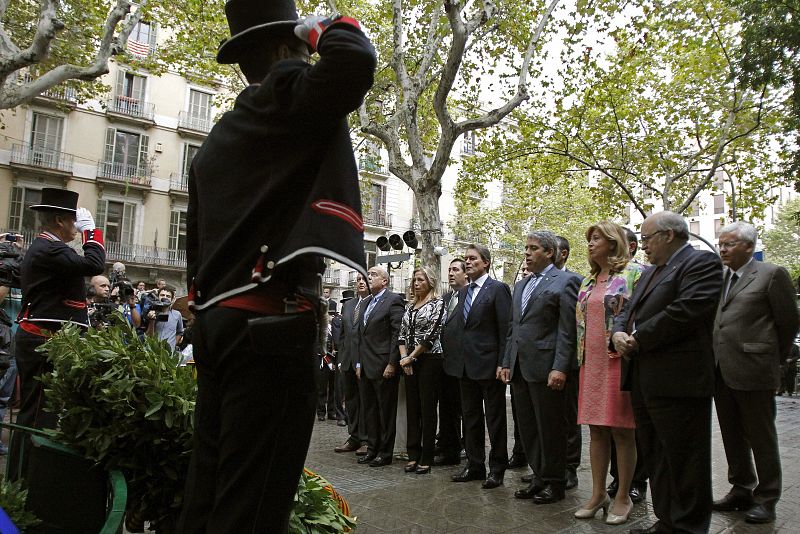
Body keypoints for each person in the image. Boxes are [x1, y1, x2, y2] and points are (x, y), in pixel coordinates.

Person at [177, 0, 375, 530]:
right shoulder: (287, 91)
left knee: (209, 487)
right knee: (255, 501)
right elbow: (354, 59)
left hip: (217, 324)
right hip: (268, 325)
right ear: (287, 48)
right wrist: (322, 27)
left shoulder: (220, 137)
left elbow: (195, 242)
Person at [612, 211, 722, 534]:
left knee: (685, 457)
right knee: (656, 454)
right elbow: (627, 309)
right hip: (644, 378)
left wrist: (638, 337)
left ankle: (688, 526)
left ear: (669, 235)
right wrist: (618, 332)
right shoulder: (650, 272)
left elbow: (687, 310)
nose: (643, 245)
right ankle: (667, 521)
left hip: (679, 380)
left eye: (647, 239)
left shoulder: (701, 263)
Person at [11, 188, 104, 478]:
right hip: (42, 340)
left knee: (40, 413)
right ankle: (22, 479)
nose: (76, 227)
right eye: (74, 221)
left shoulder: (47, 247)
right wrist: (92, 233)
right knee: (37, 415)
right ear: (60, 221)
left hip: (42, 337)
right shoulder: (50, 249)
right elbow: (94, 264)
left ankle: (23, 477)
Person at [711, 221, 799, 524]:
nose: (723, 249)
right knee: (731, 433)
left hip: (755, 369)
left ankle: (767, 497)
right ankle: (741, 488)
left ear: (749, 246)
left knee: (761, 436)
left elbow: (788, 322)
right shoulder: (723, 277)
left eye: (730, 244)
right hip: (722, 368)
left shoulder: (771, 274)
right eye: (721, 244)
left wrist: (773, 358)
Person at [500, 231, 580, 504]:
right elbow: (513, 328)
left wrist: (560, 367)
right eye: (526, 247)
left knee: (551, 429)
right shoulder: (521, 285)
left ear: (549, 252)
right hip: (520, 368)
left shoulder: (567, 281)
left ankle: (556, 483)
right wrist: (507, 361)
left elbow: (567, 330)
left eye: (533, 248)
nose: (527, 252)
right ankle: (539, 477)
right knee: (528, 428)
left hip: (547, 369)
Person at [573, 221, 644, 525]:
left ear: (613, 243)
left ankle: (624, 496)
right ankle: (598, 494)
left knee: (622, 430)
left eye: (597, 238)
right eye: (589, 239)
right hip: (591, 363)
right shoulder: (589, 280)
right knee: (596, 430)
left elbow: (643, 315)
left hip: (618, 362)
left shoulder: (634, 273)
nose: (590, 243)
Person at [447, 244, 512, 489]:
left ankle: (497, 468)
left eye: (473, 258)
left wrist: (503, 362)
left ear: (486, 262)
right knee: (471, 417)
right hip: (465, 367)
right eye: (466, 258)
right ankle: (475, 465)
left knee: (495, 419)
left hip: (489, 365)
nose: (468, 262)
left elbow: (505, 329)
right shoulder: (463, 292)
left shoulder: (498, 289)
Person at [607, 227, 649, 504]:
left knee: (631, 423)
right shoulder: (602, 276)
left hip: (630, 354)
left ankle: (637, 481)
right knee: (612, 421)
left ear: (630, 246)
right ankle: (618, 476)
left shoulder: (641, 273)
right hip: (604, 355)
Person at [398, 267, 445, 475]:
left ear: (430, 282)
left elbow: (432, 334)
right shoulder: (409, 306)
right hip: (408, 361)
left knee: (427, 408)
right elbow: (401, 335)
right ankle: (413, 454)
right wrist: (404, 359)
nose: (416, 283)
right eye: (414, 280)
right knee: (413, 408)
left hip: (430, 359)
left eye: (420, 280)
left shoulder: (438, 304)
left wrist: (412, 356)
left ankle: (426, 456)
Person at [356, 266, 404, 467]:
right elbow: (361, 336)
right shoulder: (367, 302)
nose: (368, 277)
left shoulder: (393, 300)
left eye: (373, 275)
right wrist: (359, 363)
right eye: (368, 274)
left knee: (386, 412)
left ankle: (385, 453)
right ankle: (372, 448)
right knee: (370, 410)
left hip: (384, 366)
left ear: (385, 281)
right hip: (366, 365)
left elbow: (397, 333)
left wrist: (392, 363)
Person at [555, 234, 583, 489]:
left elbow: (572, 325)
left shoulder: (573, 280)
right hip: (540, 361)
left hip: (565, 362)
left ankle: (569, 468)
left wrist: (563, 364)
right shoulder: (532, 281)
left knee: (568, 417)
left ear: (563, 253)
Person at [435, 258, 467, 466]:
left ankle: (464, 449)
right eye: (449, 270)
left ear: (465, 274)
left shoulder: (470, 296)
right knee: (446, 409)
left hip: (464, 364)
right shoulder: (445, 299)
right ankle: (448, 447)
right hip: (444, 363)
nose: (451, 273)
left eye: (455, 269)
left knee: (463, 410)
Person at [334, 278, 370, 455]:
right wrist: (341, 358)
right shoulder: (348, 305)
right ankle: (353, 437)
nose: (361, 282)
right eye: (358, 280)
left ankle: (366, 439)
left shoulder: (373, 303)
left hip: (364, 361)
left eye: (364, 279)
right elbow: (342, 335)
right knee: (351, 401)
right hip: (347, 360)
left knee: (365, 401)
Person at [145, 287, 184, 352]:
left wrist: (173, 345)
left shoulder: (177, 315)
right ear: (158, 297)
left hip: (168, 354)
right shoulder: (150, 312)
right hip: (152, 352)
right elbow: (147, 335)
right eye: (162, 295)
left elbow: (180, 332)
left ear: (172, 299)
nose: (165, 298)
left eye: (168, 296)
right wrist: (152, 321)